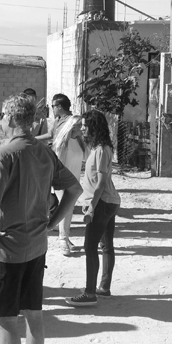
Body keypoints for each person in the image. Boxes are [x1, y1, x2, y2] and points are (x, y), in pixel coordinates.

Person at [0, 93, 83, 344]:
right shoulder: (44, 152)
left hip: (7, 249)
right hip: (36, 247)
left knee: (7, 319)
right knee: (33, 314)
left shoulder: (3, 154)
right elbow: (74, 189)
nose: (0, 120)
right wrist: (52, 223)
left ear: (11, 118)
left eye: (2, 116)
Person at [66, 110, 121, 307]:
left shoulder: (101, 150)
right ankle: (103, 287)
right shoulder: (98, 147)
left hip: (102, 203)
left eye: (85, 126)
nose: (82, 128)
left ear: (94, 127)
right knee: (106, 246)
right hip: (108, 201)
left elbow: (100, 183)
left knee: (90, 247)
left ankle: (90, 293)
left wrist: (91, 208)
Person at [47, 94, 85, 256]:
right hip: (64, 162)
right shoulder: (58, 122)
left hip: (70, 161)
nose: (52, 108)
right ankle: (63, 238)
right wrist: (32, 140)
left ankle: (64, 237)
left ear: (60, 106)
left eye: (53, 106)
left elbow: (77, 136)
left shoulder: (73, 120)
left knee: (68, 202)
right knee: (66, 202)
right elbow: (52, 137)